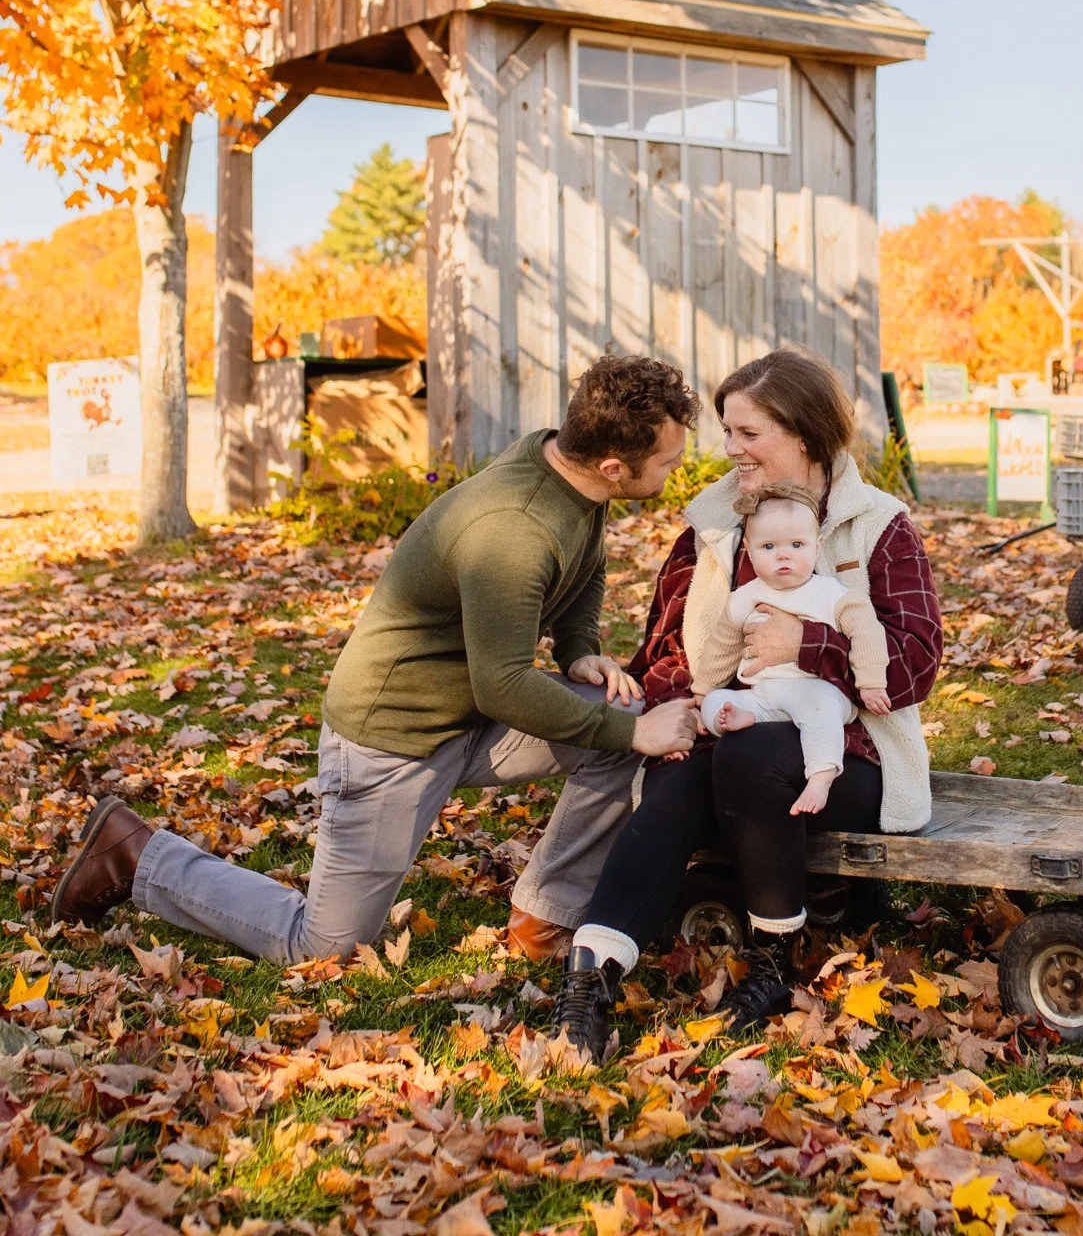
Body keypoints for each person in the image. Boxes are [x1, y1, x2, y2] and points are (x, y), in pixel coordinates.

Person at [50, 356, 702, 964]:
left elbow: (584, 567)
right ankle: (139, 856)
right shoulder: (514, 527)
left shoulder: (561, 465)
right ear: (611, 466)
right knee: (324, 947)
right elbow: (504, 686)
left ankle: (544, 916)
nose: (675, 471)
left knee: (631, 722)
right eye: (669, 463)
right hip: (393, 740)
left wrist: (580, 653)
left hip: (468, 716)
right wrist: (631, 731)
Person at [551, 347, 943, 1062]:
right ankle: (589, 981)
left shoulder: (878, 525)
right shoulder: (714, 523)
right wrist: (672, 709)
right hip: (726, 733)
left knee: (751, 754)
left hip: (845, 760)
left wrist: (809, 643)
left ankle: (771, 964)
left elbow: (915, 664)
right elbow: (667, 641)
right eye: (727, 431)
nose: (730, 448)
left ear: (806, 436)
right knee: (678, 784)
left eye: (748, 433)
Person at [696, 481, 890, 815]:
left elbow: (867, 633)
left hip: (817, 689)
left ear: (818, 546)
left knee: (820, 713)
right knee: (716, 702)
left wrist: (871, 682)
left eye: (797, 545)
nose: (783, 555)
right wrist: (703, 689)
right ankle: (737, 719)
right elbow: (722, 645)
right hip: (764, 695)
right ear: (749, 550)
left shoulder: (831, 595)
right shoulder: (746, 597)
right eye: (769, 546)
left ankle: (821, 776)